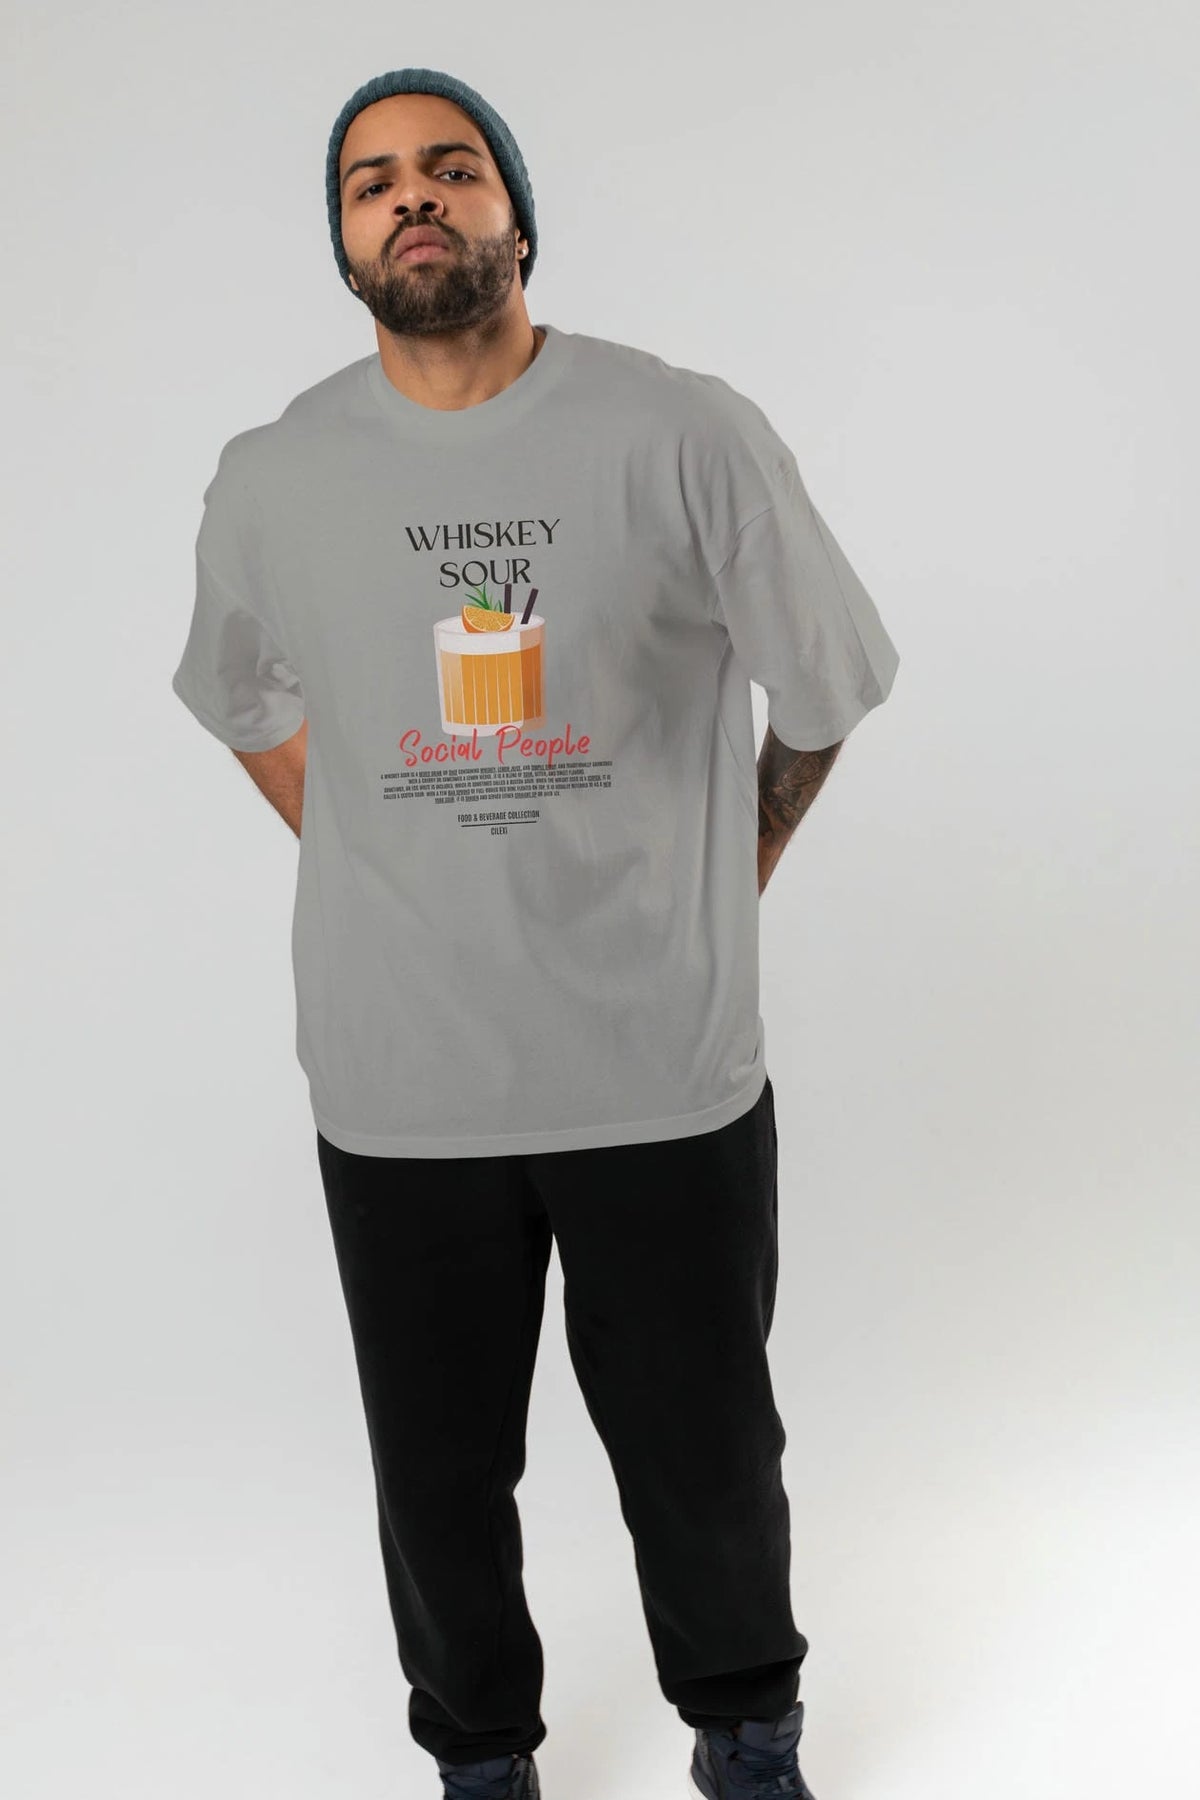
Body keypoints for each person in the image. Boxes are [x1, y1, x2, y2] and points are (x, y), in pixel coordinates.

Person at [170, 66, 900, 1800]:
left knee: (705, 1450)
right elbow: (241, 697)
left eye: (452, 167)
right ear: (344, 242)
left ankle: (747, 1732)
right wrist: (374, 846)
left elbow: (826, 684)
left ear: (516, 213)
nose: (413, 197)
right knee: (435, 1473)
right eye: (372, 183)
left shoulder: (682, 432)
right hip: (402, 1081)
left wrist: (738, 861)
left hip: (659, 1063)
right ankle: (481, 1760)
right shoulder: (275, 474)